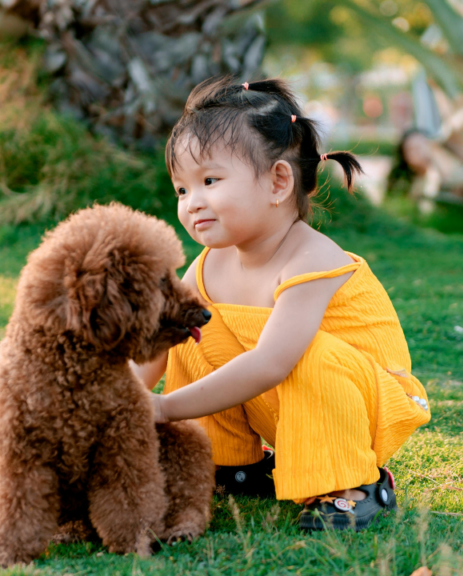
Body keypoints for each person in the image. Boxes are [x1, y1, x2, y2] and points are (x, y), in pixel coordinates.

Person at [132, 77, 431, 532]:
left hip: (364, 404)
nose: (193, 203)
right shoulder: (209, 264)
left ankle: (355, 484)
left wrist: (164, 409)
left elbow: (272, 363)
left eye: (210, 180)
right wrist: (123, 397)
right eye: (182, 189)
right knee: (189, 328)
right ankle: (227, 462)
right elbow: (159, 342)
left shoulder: (311, 258)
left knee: (308, 354)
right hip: (283, 400)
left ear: (278, 181)